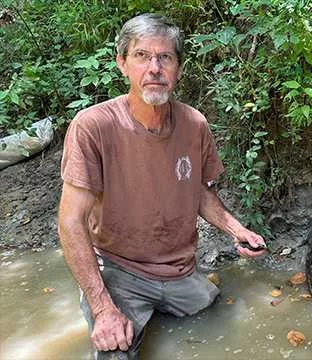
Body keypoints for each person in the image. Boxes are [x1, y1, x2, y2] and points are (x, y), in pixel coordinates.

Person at [57, 13, 267, 359]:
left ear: (178, 69)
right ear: (122, 63)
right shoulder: (92, 126)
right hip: (119, 268)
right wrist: (103, 308)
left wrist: (235, 229)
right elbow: (70, 222)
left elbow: (198, 190)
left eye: (165, 57)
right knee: (116, 348)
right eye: (142, 56)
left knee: (216, 313)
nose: (154, 67)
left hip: (179, 270)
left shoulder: (193, 124)